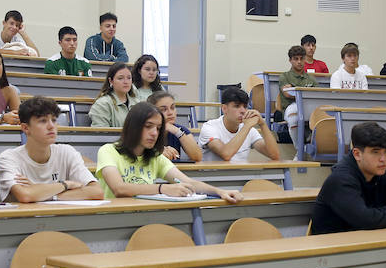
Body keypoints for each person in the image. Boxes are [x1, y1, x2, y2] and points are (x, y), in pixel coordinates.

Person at [95, 102, 241, 202]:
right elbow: (119, 189)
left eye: (158, 128)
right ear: (133, 127)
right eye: (148, 126)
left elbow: (188, 182)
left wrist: (220, 192)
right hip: (113, 217)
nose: (154, 133)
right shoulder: (108, 151)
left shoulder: (155, 157)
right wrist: (163, 188)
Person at [311, 122, 386, 235]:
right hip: (331, 247)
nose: (383, 159)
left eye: (385, 152)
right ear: (357, 154)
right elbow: (365, 220)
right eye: (375, 152)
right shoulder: (340, 179)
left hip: (366, 242)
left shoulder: (383, 173)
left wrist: (375, 217)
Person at [0, 96, 103, 202]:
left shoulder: (67, 152)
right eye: (43, 121)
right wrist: (66, 184)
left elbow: (97, 192)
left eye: (54, 120)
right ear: (26, 128)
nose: (51, 126)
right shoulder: (9, 158)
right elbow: (25, 195)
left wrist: (43, 193)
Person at [198, 86, 280, 163]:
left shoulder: (250, 130)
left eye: (245, 106)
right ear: (224, 108)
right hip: (213, 177)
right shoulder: (209, 127)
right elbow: (226, 154)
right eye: (237, 106)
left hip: (242, 176)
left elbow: (274, 155)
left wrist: (262, 124)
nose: (243, 111)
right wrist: (247, 126)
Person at [147, 91, 202, 162]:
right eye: (163, 109)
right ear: (152, 112)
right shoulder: (145, 130)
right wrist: (158, 152)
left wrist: (177, 132)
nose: (170, 113)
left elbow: (197, 157)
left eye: (172, 108)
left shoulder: (179, 129)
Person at [89, 62, 139, 128]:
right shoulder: (102, 104)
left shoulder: (137, 103)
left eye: (129, 78)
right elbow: (100, 135)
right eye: (120, 78)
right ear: (111, 81)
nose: (126, 82)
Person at [277, 45, 316, 128]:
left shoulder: (311, 78)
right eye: (296, 59)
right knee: (293, 118)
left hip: (309, 109)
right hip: (290, 110)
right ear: (290, 60)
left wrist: (293, 90)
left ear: (305, 59)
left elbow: (316, 96)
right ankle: (297, 141)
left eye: (301, 58)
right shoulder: (284, 76)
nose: (299, 62)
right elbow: (288, 94)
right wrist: (307, 93)